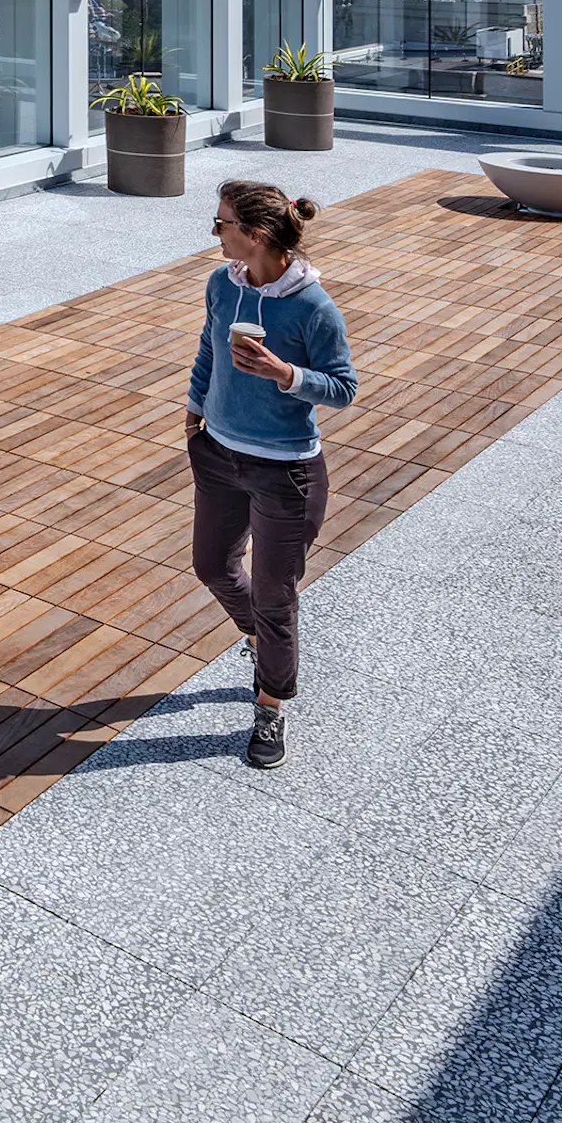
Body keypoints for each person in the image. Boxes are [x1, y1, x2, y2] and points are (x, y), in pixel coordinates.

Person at [185, 180, 357, 773]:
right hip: (217, 452)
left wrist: (286, 374)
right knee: (212, 565)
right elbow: (209, 348)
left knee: (276, 595)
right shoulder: (221, 284)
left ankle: (270, 702)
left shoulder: (312, 307)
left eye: (221, 223)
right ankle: (260, 639)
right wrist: (195, 408)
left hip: (285, 469)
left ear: (254, 236)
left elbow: (343, 389)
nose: (215, 233)